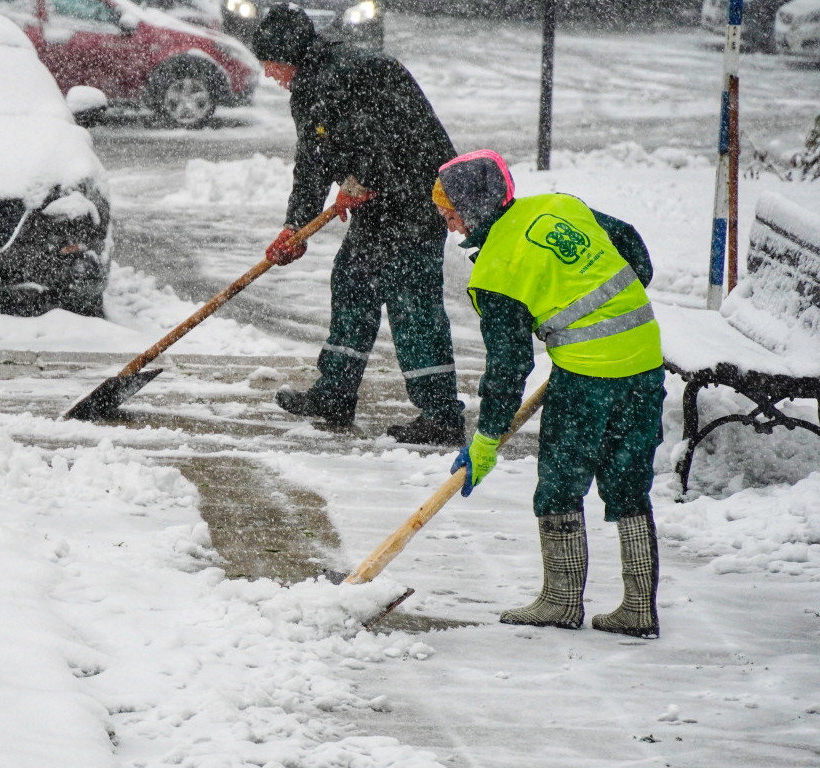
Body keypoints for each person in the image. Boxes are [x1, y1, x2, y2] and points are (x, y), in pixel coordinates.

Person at [437, 149, 664, 638]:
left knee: (561, 482)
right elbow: (634, 252)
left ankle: (561, 601)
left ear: (475, 207)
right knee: (628, 480)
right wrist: (606, 308)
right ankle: (639, 607)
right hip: (645, 357)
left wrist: (486, 441)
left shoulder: (498, 269)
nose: (449, 222)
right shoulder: (560, 205)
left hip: (587, 376)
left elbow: (509, 367)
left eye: (451, 210)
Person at [251, 4, 465, 445]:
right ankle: (334, 394)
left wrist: (360, 180)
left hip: (417, 201)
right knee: (352, 284)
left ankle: (441, 415)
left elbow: (391, 138)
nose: (269, 75)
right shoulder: (315, 85)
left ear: (286, 53)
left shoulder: (348, 74)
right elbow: (312, 162)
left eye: (269, 64)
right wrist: (296, 225)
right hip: (381, 206)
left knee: (412, 305)